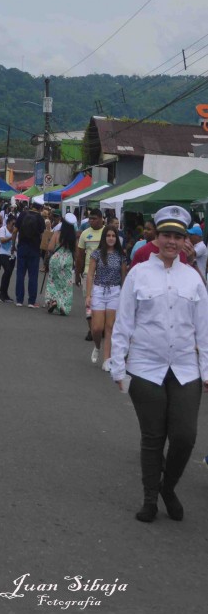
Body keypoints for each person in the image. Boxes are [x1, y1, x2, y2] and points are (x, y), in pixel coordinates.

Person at [110, 206, 208, 523]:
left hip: (185, 369)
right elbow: (124, 322)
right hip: (146, 367)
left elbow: (204, 330)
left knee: (184, 436)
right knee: (153, 437)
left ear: (185, 242)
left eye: (178, 236)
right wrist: (117, 365)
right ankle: (150, 498)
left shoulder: (192, 278)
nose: (171, 241)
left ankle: (169, 487)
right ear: (156, 237)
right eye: (166, 235)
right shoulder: (139, 274)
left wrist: (206, 370)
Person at [86, 223, 127, 369]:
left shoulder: (121, 256)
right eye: (108, 235)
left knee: (110, 327)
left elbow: (123, 277)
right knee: (97, 328)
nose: (111, 238)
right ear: (104, 237)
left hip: (115, 291)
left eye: (113, 236)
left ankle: (107, 360)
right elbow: (90, 275)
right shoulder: (96, 254)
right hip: (98, 290)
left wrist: (124, 296)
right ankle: (97, 346)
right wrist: (88, 295)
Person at [75, 208, 104, 335]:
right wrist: (77, 273)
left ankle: (100, 327)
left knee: (102, 303)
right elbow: (80, 256)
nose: (91, 221)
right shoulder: (85, 234)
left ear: (101, 219)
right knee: (89, 303)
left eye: (94, 219)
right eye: (90, 219)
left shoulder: (108, 232)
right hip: (88, 273)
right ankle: (91, 329)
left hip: (105, 274)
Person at [43, 213, 78, 315]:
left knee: (53, 281)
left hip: (56, 259)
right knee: (65, 284)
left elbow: (50, 248)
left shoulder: (57, 233)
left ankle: (52, 301)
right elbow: (76, 251)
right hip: (67, 259)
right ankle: (63, 305)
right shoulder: (73, 237)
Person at [13, 201, 45, 308]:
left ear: (32, 205)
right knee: (33, 276)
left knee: (20, 274)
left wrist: (13, 245)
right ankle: (31, 301)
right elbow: (42, 236)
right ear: (41, 208)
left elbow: (15, 231)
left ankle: (19, 300)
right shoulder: (40, 218)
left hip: (22, 247)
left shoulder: (23, 214)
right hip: (34, 249)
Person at [0, 215, 16, 303]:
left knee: (9, 274)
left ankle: (5, 294)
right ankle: (1, 292)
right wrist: (12, 236)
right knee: (7, 271)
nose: (14, 226)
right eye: (13, 224)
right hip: (3, 253)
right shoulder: (3, 229)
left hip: (12, 255)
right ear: (8, 223)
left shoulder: (15, 231)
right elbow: (2, 240)